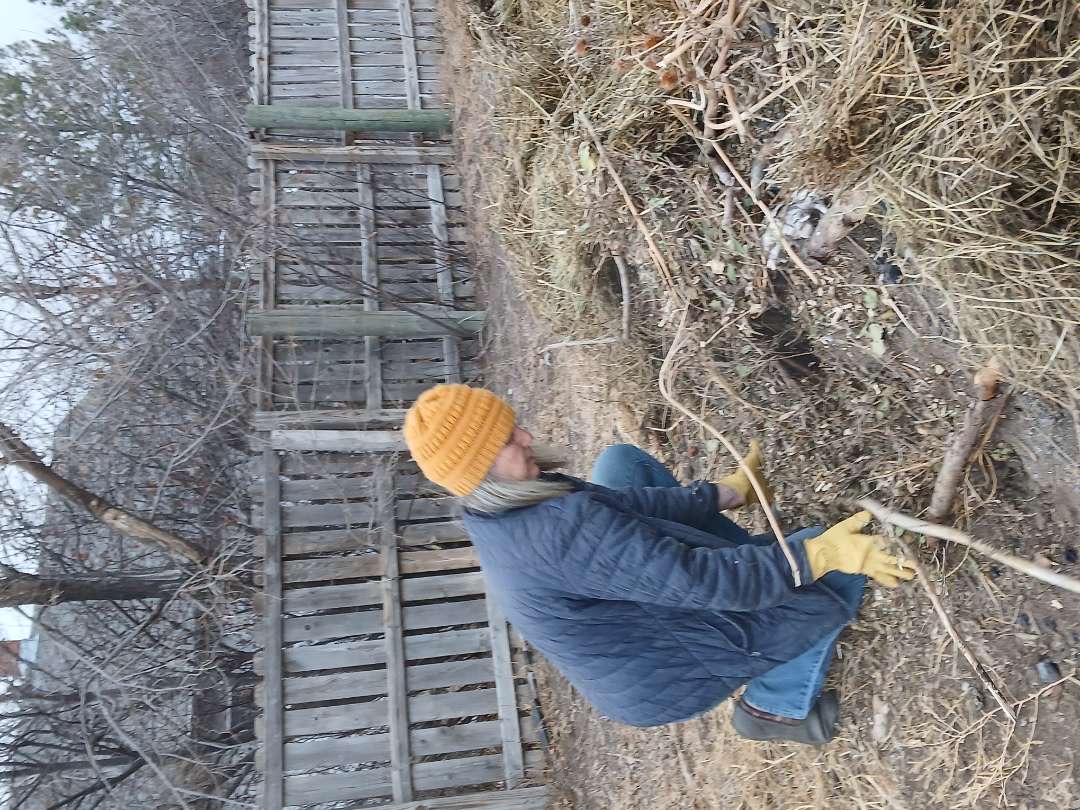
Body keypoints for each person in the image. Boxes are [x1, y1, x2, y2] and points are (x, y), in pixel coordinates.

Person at [403, 383, 916, 744]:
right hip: (662, 669)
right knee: (832, 561)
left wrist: (722, 494)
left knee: (622, 465)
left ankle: (766, 560)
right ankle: (774, 708)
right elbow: (704, 583)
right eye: (508, 441)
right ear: (478, 473)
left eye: (514, 425)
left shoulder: (508, 503)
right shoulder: (556, 533)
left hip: (639, 616)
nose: (528, 437)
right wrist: (817, 556)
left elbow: (624, 508)